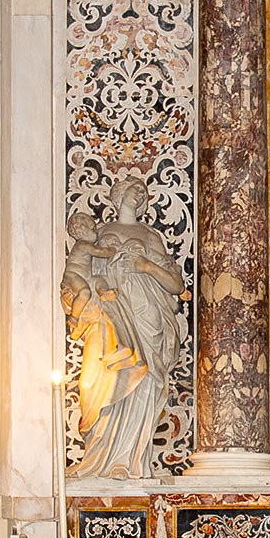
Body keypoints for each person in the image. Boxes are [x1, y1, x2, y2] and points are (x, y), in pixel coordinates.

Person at [69, 176, 185, 480]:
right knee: (103, 380)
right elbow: (80, 272)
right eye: (134, 188)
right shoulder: (100, 233)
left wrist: (147, 266)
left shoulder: (150, 235)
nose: (141, 193)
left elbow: (176, 284)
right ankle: (101, 457)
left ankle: (130, 459)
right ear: (117, 194)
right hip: (110, 313)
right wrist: (97, 287)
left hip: (147, 314)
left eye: (143, 190)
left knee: (144, 377)